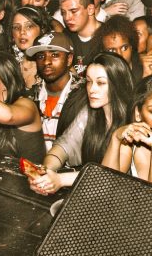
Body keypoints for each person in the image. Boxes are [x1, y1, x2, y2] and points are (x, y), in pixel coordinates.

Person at [29, 52, 135, 195]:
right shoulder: (90, 112)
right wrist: (46, 173)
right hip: (95, 197)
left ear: (118, 84)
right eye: (89, 81)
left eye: (101, 83)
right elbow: (62, 147)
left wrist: (60, 179)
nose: (92, 89)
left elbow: (110, 177)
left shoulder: (133, 121)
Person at [27, 32, 77, 151]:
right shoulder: (30, 97)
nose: (46, 62)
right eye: (40, 56)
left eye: (54, 55)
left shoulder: (83, 95)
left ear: (69, 59)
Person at [10, 5, 52, 88]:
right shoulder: (8, 64)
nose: (22, 32)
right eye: (16, 27)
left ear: (42, 30)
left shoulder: (53, 64)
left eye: (29, 26)